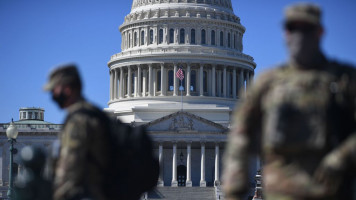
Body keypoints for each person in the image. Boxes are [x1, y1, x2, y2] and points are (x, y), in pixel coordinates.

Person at [222, 3, 356, 200]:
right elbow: (240, 140)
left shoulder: (343, 80)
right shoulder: (267, 84)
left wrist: (340, 158)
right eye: (293, 28)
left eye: (307, 28)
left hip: (331, 191)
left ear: (320, 32)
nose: (299, 35)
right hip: (280, 193)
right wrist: (234, 193)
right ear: (285, 33)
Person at [44, 64, 113, 200]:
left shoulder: (78, 120)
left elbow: (70, 167)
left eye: (54, 90)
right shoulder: (95, 112)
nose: (52, 95)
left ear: (68, 89)